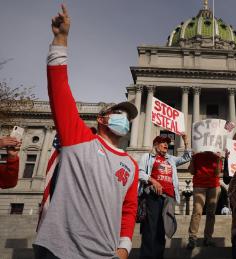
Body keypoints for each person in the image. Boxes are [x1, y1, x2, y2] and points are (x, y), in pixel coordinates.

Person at [34, 5, 139, 259]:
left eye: (128, 116)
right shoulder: (78, 139)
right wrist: (61, 40)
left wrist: (124, 247)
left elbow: (128, 209)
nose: (124, 118)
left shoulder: (132, 166)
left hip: (105, 254)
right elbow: (59, 89)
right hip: (60, 251)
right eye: (118, 113)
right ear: (102, 119)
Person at [138, 135, 191, 259]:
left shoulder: (171, 159)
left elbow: (187, 157)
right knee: (150, 228)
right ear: (156, 145)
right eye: (163, 142)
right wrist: (153, 181)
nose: (166, 145)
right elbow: (139, 172)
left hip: (169, 198)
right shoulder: (148, 157)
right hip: (153, 196)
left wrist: (186, 141)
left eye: (167, 143)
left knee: (162, 230)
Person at [187, 149, 224, 249]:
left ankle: (208, 238)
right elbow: (191, 171)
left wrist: (218, 159)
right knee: (197, 211)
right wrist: (192, 158)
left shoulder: (217, 154)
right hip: (199, 185)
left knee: (211, 213)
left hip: (214, 186)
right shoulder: (197, 154)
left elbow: (217, 174)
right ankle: (192, 238)